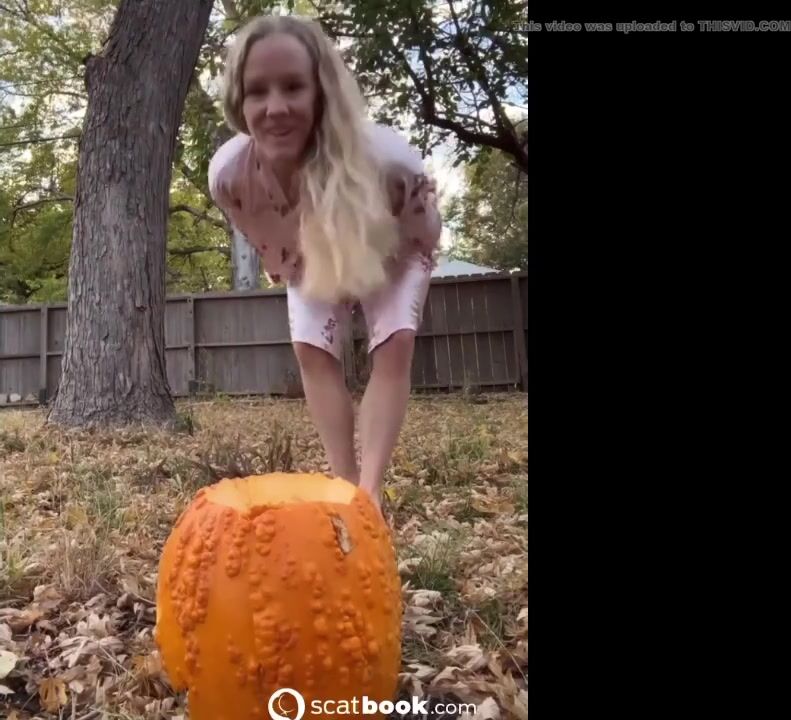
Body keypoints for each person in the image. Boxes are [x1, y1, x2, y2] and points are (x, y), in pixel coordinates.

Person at [208, 14, 441, 513]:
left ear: (321, 92)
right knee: (311, 349)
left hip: (391, 236)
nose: (275, 108)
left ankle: (369, 496)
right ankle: (344, 489)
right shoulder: (229, 176)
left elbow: (421, 235)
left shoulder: (391, 164)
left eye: (293, 86)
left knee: (394, 342)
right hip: (305, 243)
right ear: (239, 101)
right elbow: (276, 246)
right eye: (257, 91)